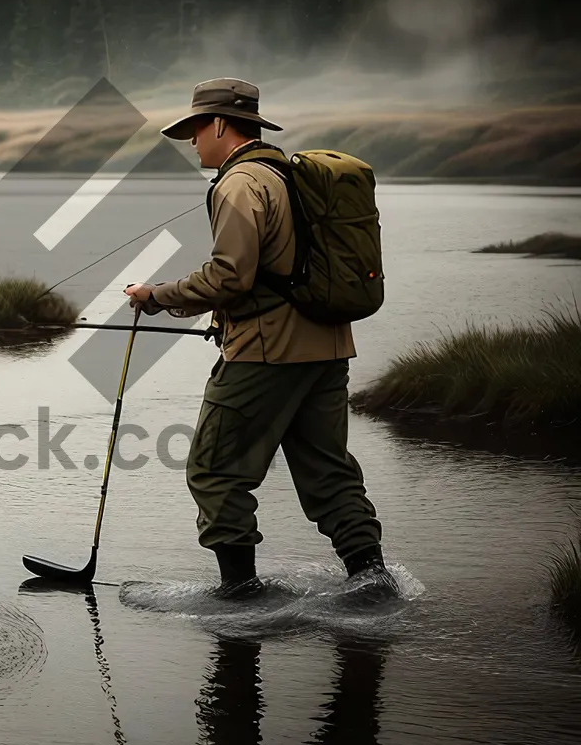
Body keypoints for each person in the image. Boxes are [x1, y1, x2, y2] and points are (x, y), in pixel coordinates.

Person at [124, 78, 388, 598]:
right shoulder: (289, 175)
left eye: (196, 129)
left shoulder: (240, 183)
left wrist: (155, 294)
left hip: (265, 354)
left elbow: (230, 278)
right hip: (329, 348)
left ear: (220, 124)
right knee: (329, 472)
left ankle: (239, 595)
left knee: (214, 469)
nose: (193, 142)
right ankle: (373, 580)